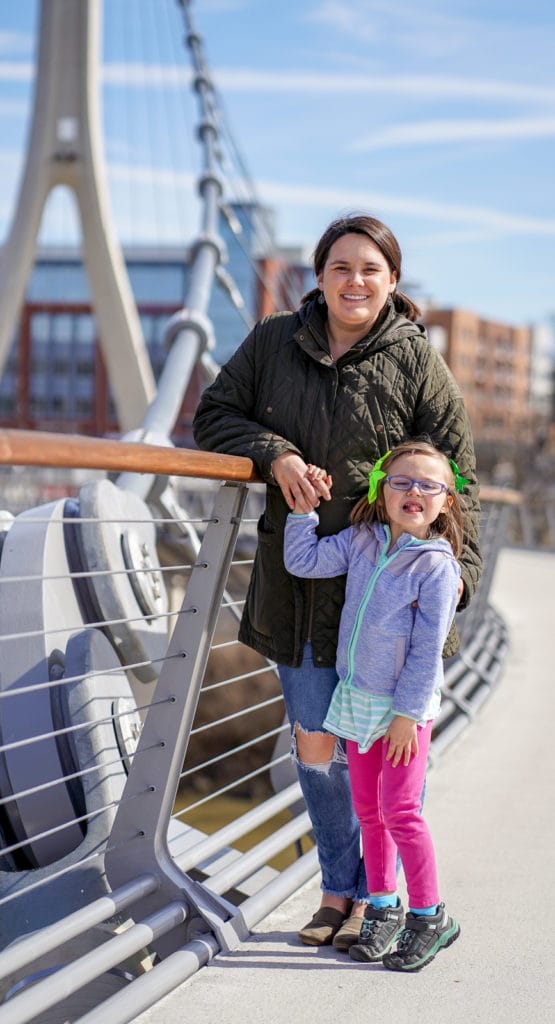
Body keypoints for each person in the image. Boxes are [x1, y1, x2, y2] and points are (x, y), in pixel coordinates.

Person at [192, 213, 482, 951]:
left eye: (370, 269)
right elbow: (213, 416)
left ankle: (384, 903)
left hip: (384, 597)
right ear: (318, 276)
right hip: (298, 584)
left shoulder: (416, 361)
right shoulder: (270, 342)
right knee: (316, 749)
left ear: (391, 282)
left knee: (374, 760)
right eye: (340, 267)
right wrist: (275, 454)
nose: (355, 281)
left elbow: (460, 476)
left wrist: (452, 589)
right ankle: (340, 890)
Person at [284, 441, 466, 970]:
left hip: (403, 713)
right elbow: (304, 561)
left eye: (428, 485)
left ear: (445, 501)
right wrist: (303, 513)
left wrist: (408, 716)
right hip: (358, 701)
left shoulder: (437, 569)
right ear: (380, 490)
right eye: (402, 481)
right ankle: (382, 908)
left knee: (402, 812)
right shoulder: (363, 540)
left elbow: (429, 649)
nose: (414, 492)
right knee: (370, 811)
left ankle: (431, 916)